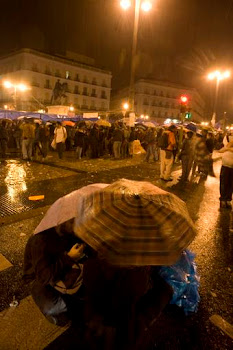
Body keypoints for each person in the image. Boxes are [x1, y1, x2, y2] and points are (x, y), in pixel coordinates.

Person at [23, 219, 85, 326]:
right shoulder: (40, 240)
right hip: (39, 279)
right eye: (72, 222)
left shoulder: (67, 232)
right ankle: (58, 312)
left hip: (60, 270)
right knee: (53, 308)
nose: (76, 226)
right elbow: (44, 277)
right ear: (61, 222)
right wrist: (69, 257)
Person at [218, 141, 233, 209]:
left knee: (231, 184)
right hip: (225, 166)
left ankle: (228, 199)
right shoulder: (227, 146)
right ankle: (223, 199)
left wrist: (228, 149)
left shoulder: (228, 148)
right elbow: (220, 150)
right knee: (224, 183)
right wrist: (227, 148)